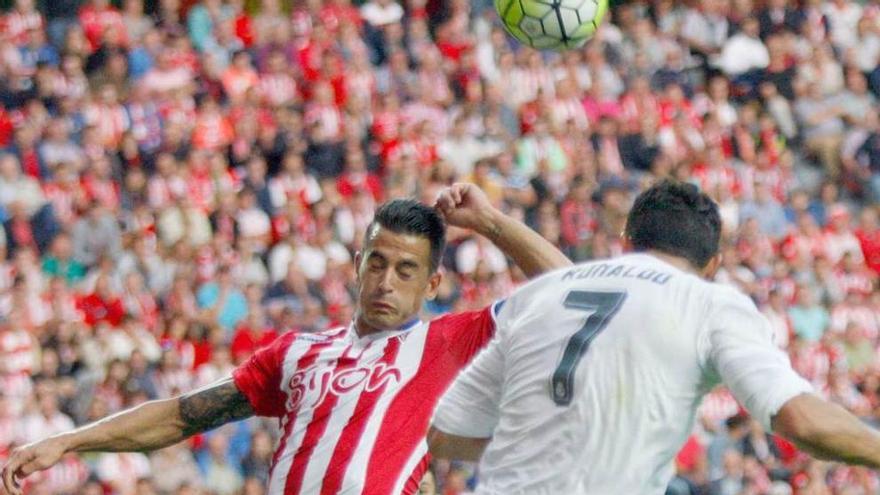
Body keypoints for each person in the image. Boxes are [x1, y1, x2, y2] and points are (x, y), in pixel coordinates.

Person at [0, 183, 570, 495]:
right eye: (377, 263)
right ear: (355, 266)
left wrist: (492, 223)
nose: (386, 282)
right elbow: (180, 415)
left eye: (405, 270)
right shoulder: (298, 353)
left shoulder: (448, 342)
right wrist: (69, 442)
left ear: (433, 282)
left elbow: (570, 292)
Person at [429, 180, 880, 494]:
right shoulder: (710, 304)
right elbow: (801, 420)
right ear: (713, 266)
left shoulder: (544, 299)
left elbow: (441, 433)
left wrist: (492, 222)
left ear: (625, 242)